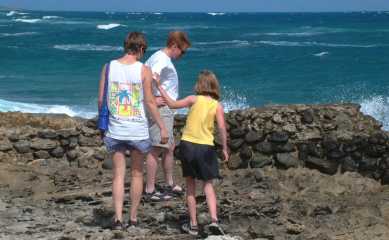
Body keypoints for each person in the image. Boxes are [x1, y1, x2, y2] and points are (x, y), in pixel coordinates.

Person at [97, 32, 168, 230]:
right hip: (137, 129)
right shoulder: (143, 70)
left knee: (118, 175)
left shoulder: (108, 67)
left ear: (126, 46)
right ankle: (133, 218)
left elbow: (101, 100)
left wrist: (102, 124)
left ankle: (118, 218)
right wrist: (162, 126)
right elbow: (150, 102)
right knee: (137, 174)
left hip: (115, 128)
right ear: (141, 49)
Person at [154, 70, 229, 236]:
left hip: (188, 145)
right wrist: (224, 147)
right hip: (206, 147)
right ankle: (214, 220)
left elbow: (172, 104)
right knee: (208, 185)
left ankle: (193, 224)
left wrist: (159, 85)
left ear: (200, 84)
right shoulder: (217, 105)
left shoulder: (192, 99)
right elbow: (222, 128)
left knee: (190, 186)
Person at [144, 31, 191, 201]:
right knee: (156, 147)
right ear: (174, 45)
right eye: (182, 51)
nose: (182, 55)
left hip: (165, 109)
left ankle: (169, 183)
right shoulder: (161, 59)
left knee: (168, 147)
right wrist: (151, 99)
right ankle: (150, 189)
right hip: (161, 109)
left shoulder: (160, 58)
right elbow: (149, 78)